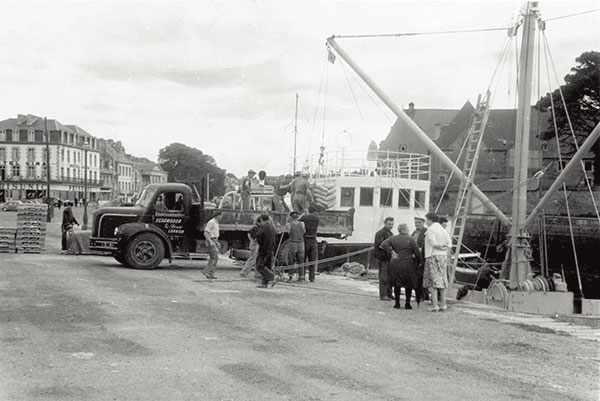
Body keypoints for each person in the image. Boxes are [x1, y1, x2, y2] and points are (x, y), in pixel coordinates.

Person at [380, 223, 422, 309]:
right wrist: (418, 263)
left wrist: (392, 251)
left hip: (396, 263)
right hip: (408, 264)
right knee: (408, 285)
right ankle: (407, 304)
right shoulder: (411, 239)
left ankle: (397, 303)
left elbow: (383, 244)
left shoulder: (393, 238)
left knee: (397, 284)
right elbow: (417, 253)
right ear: (405, 230)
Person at [423, 212, 452, 312]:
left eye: (426, 220)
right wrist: (443, 248)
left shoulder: (431, 229)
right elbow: (449, 244)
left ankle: (435, 304)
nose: (426, 222)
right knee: (442, 280)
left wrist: (439, 246)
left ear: (430, 219)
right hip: (443, 257)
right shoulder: (443, 230)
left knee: (433, 280)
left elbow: (433, 242)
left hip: (432, 255)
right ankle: (443, 304)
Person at [373, 217, 394, 301]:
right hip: (383, 258)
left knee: (389, 276)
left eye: (392, 224)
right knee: (383, 276)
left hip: (388, 258)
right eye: (389, 224)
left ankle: (389, 293)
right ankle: (383, 294)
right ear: (385, 223)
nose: (391, 226)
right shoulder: (381, 233)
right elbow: (379, 245)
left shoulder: (390, 233)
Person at [255, 213, 277, 288]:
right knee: (267, 266)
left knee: (259, 266)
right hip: (271, 249)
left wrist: (260, 243)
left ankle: (272, 277)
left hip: (264, 249)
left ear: (261, 219)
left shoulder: (263, 227)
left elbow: (258, 236)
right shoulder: (272, 227)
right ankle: (264, 283)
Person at [300, 205, 320, 282]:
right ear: (314, 212)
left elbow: (298, 220)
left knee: (303, 260)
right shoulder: (317, 219)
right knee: (312, 261)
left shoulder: (304, 218)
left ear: (308, 210)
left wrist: (304, 213)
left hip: (305, 240)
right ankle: (312, 278)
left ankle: (303, 276)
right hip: (313, 240)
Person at [286, 211, 306, 282]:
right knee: (301, 260)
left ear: (291, 217)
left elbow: (288, 231)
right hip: (301, 243)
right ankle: (301, 277)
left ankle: (290, 277)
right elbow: (304, 231)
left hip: (293, 243)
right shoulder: (302, 224)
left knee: (291, 260)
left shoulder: (289, 225)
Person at [411, 216, 428, 301]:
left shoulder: (426, 232)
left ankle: (423, 295)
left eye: (419, 223)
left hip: (422, 257)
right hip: (414, 257)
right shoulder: (414, 232)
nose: (417, 224)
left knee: (421, 276)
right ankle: (420, 294)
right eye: (416, 222)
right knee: (416, 277)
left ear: (423, 223)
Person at [202, 211, 222, 279]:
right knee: (214, 257)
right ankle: (206, 271)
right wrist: (210, 241)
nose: (221, 217)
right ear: (217, 216)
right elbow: (206, 233)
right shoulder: (211, 222)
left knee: (214, 258)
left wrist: (217, 242)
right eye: (220, 215)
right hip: (211, 240)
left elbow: (215, 234)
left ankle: (211, 273)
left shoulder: (216, 223)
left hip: (214, 240)